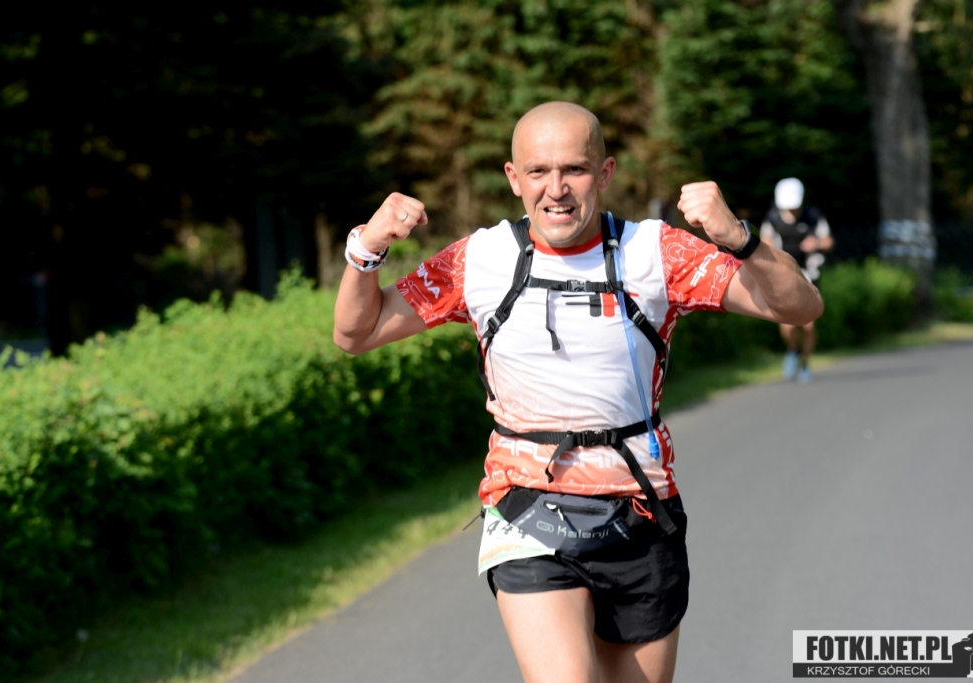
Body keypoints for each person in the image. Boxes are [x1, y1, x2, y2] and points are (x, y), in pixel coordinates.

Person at [333, 102, 823, 683]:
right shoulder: (481, 260)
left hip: (641, 508)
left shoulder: (656, 253)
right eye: (538, 171)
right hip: (527, 507)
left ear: (606, 172)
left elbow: (800, 306)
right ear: (513, 178)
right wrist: (366, 250)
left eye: (575, 169)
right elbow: (356, 333)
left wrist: (738, 238)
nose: (556, 189)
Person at [759, 178, 835, 383]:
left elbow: (828, 241)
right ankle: (793, 350)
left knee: (809, 325)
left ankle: (806, 364)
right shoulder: (773, 218)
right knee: (788, 323)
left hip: (809, 273)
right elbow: (764, 243)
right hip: (783, 273)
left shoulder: (813, 216)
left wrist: (817, 243)